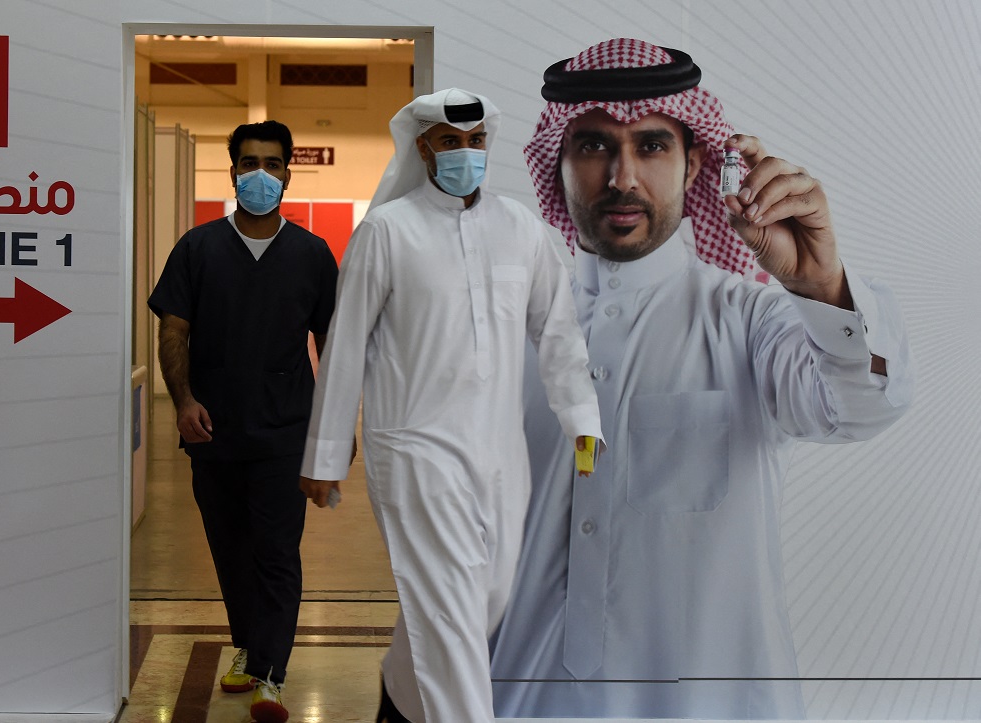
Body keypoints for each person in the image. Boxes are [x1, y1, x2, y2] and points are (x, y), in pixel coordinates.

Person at [489, 38, 914, 719]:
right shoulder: (507, 332)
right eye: (594, 146)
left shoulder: (753, 323)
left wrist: (822, 286)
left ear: (693, 166)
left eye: (652, 145)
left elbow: (860, 407)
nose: (623, 177)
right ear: (557, 163)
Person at [298, 88, 604, 723]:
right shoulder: (387, 231)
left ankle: (399, 689)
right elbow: (345, 346)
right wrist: (326, 455)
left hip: (500, 451)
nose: (466, 153)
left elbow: (557, 331)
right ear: (423, 148)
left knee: (485, 598)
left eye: (475, 141)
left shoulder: (521, 228)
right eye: (449, 142)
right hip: (414, 448)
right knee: (451, 609)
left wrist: (582, 419)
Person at [148, 120, 338, 723]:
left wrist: (334, 428)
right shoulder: (198, 248)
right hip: (214, 432)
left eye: (272, 164)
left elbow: (332, 342)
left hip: (284, 432)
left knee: (276, 553)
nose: (261, 174)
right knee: (231, 552)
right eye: (249, 163)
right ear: (233, 172)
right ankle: (250, 649)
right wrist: (183, 401)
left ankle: (271, 676)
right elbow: (173, 329)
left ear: (288, 174)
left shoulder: (311, 255)